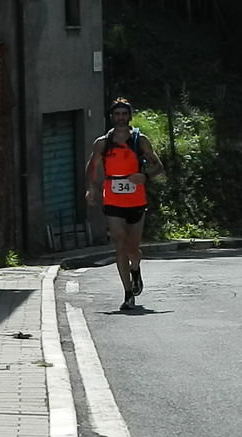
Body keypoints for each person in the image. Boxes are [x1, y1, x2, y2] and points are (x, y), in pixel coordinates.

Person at [85, 97, 164, 310]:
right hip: (112, 198)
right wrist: (92, 187)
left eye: (124, 114)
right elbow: (92, 166)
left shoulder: (140, 141)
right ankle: (128, 294)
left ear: (129, 116)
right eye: (117, 114)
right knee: (119, 244)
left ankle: (135, 267)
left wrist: (145, 176)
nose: (120, 118)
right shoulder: (102, 143)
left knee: (132, 247)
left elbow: (158, 166)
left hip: (136, 199)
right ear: (111, 117)